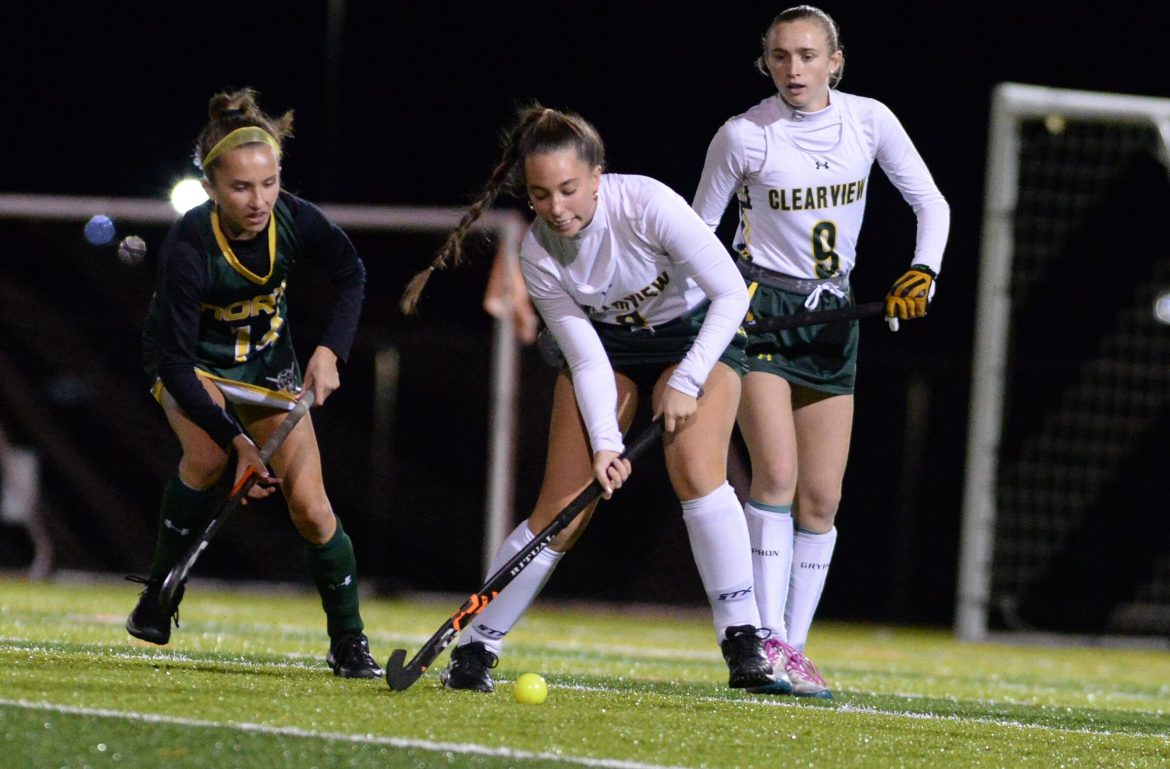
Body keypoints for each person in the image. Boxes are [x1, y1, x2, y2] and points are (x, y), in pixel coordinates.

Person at [400, 104, 776, 693]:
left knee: (697, 468)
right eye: (541, 195)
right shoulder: (537, 253)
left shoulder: (648, 205)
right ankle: (477, 645)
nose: (556, 208)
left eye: (569, 189)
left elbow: (731, 293)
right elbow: (587, 357)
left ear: (598, 175)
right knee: (561, 507)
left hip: (697, 333)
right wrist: (606, 444)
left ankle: (743, 640)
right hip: (609, 351)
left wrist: (685, 379)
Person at [692, 5, 950, 698]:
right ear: (767, 62)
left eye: (807, 55)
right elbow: (697, 232)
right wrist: (723, 303)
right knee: (773, 474)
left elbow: (933, 205)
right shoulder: (743, 136)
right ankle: (764, 642)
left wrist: (921, 270)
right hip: (762, 314)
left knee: (822, 496)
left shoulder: (870, 121)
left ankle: (793, 647)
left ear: (835, 60)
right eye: (781, 56)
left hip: (835, 315)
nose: (794, 68)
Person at [126, 87, 382, 679]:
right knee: (210, 456)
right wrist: (237, 441)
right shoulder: (190, 246)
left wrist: (330, 351)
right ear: (212, 187)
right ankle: (161, 593)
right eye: (242, 187)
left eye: (268, 183)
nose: (259, 199)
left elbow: (351, 274)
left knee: (313, 510)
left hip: (268, 366)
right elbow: (175, 364)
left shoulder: (293, 217)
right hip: (195, 365)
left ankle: (348, 641)